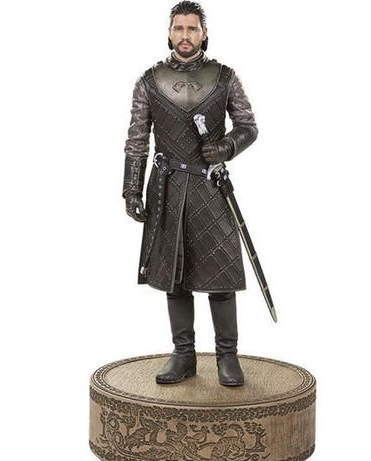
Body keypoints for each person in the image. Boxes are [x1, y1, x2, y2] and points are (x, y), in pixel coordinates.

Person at [123, 1, 258, 386]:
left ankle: (227, 357)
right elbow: (137, 139)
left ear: (204, 33)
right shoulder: (149, 81)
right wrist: (131, 189)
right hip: (167, 188)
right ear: (169, 33)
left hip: (210, 186)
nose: (185, 35)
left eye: (192, 28)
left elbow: (248, 126)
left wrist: (226, 147)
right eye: (179, 28)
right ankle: (183, 355)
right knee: (175, 276)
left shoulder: (225, 77)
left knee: (221, 274)